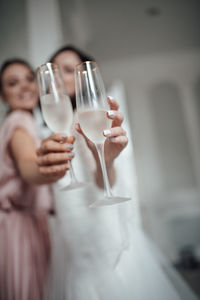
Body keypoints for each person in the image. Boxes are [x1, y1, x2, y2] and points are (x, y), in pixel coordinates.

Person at [38, 46, 198, 300]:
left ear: (85, 79)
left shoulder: (89, 116)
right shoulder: (52, 127)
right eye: (56, 72)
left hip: (99, 228)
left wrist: (108, 159)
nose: (60, 79)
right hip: (71, 235)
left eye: (69, 70)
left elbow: (104, 182)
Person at [0, 59, 75, 300]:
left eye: (29, 79)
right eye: (13, 83)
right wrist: (47, 167)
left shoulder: (28, 122)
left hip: (29, 223)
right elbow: (28, 166)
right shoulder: (19, 122)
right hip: (19, 229)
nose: (24, 87)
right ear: (2, 95)